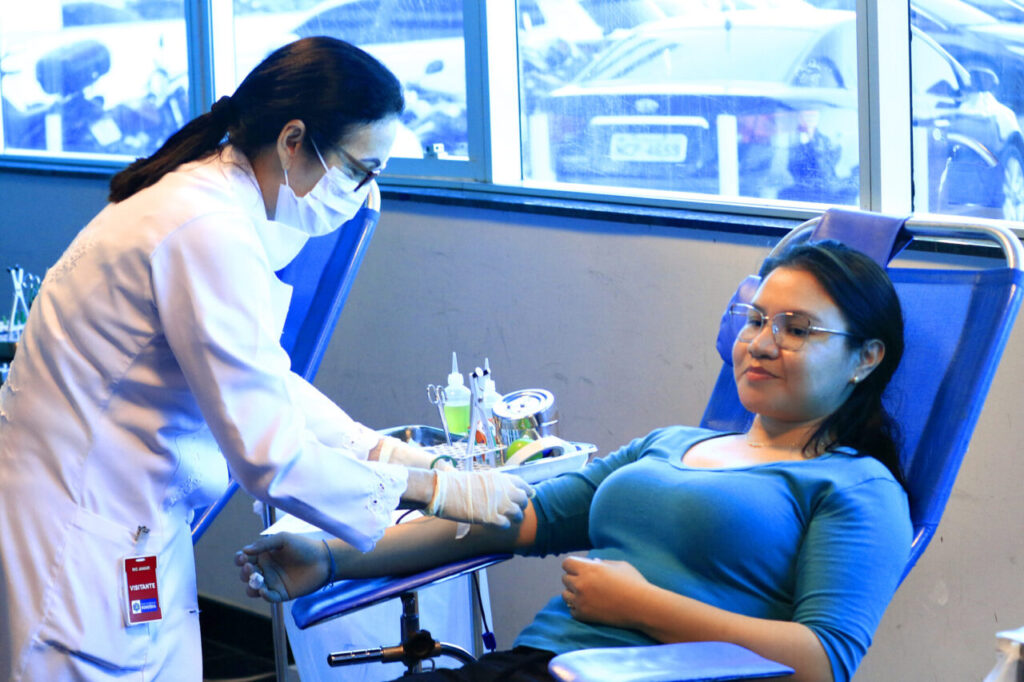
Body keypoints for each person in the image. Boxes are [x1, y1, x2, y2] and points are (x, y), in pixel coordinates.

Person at [0, 37, 530, 681]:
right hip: (84, 532)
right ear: (293, 140)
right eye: (359, 170)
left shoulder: (213, 201)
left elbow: (262, 375)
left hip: (123, 519)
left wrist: (386, 452)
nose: (363, 192)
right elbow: (271, 458)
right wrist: (435, 490)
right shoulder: (204, 228)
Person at [236, 241, 913, 682]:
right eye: (756, 319)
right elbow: (511, 518)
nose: (760, 343)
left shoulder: (855, 486)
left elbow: (823, 662)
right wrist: (330, 557)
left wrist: (644, 606)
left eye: (797, 329)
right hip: (535, 665)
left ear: (866, 358)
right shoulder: (671, 443)